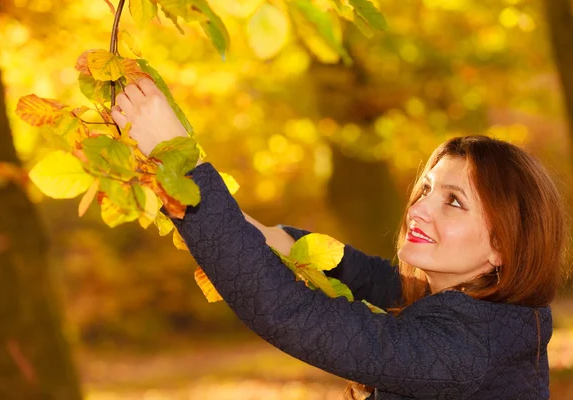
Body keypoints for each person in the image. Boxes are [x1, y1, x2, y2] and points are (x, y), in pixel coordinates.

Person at [111, 78, 566, 399]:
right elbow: (351, 269)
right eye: (425, 189)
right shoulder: (481, 310)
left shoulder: (467, 348)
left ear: (502, 246)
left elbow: (289, 312)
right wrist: (184, 185)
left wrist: (179, 160)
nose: (419, 208)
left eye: (454, 202)